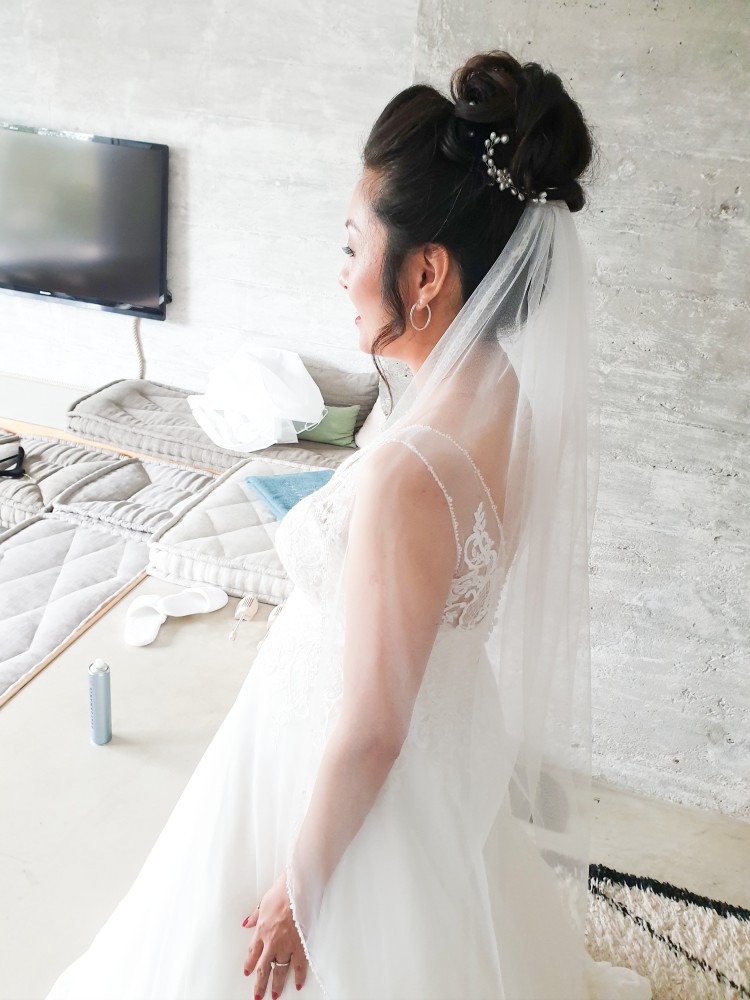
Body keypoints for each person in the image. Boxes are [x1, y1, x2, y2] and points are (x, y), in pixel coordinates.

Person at [46, 51, 653, 999]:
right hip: (449, 747)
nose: (341, 277)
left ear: (426, 273)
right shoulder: (507, 399)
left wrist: (299, 891)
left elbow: (372, 729)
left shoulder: (412, 472)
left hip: (339, 768)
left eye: (351, 247)